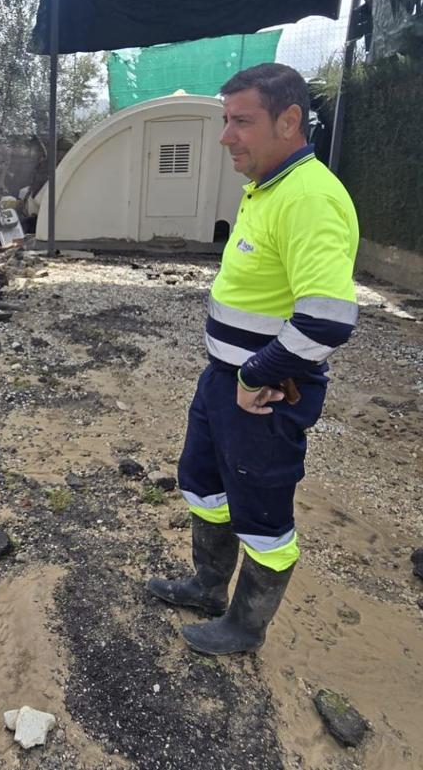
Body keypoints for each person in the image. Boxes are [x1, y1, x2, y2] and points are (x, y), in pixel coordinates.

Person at [146, 63, 360, 655]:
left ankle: (245, 627)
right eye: (225, 119)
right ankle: (209, 588)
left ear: (289, 120)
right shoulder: (267, 187)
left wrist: (256, 376)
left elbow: (328, 318)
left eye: (241, 121)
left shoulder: (310, 198)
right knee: (205, 485)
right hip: (226, 383)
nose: (225, 136)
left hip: (264, 395)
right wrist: (231, 375)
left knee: (263, 515)